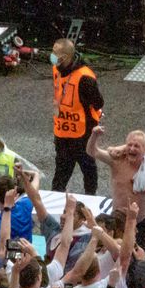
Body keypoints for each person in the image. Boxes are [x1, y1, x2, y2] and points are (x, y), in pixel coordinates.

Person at [50, 38, 104, 194]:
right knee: (60, 172)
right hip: (62, 131)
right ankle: (57, 201)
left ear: (66, 57)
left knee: (88, 169)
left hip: (82, 133)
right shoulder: (56, 68)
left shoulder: (85, 77)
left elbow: (98, 102)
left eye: (55, 53)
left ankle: (90, 199)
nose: (52, 55)